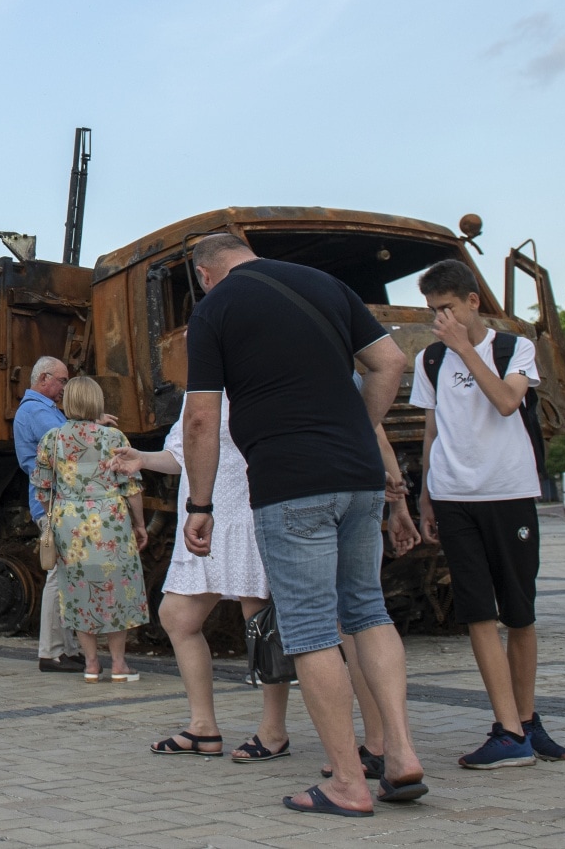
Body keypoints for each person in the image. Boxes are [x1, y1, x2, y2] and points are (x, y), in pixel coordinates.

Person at [181, 232, 425, 816]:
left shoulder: (213, 309)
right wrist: (358, 431)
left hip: (291, 481)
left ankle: (346, 782)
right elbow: (390, 362)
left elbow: (200, 418)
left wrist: (201, 504)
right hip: (360, 477)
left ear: (205, 274)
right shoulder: (326, 284)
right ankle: (399, 754)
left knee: (312, 628)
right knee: (368, 611)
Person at [413, 258, 565, 766]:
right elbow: (433, 429)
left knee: (519, 614)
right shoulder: (431, 360)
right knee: (478, 614)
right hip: (456, 497)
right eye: (434, 311)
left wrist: (465, 348)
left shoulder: (514, 348)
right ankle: (506, 729)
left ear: (472, 302)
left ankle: (527, 721)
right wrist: (426, 495)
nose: (441, 320)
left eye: (448, 308)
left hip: (508, 494)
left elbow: (506, 402)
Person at [116, 396, 292, 759]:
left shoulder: (254, 376)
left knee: (259, 621)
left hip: (245, 510)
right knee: (177, 616)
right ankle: (202, 727)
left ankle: (274, 731)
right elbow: (182, 454)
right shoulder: (199, 389)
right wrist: (142, 459)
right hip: (202, 518)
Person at [34, 377, 148, 682]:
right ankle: (120, 665)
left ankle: (92, 665)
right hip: (110, 521)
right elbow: (131, 486)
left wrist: (56, 521)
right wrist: (139, 524)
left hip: (69, 524)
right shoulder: (114, 439)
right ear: (96, 402)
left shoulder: (52, 439)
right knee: (117, 589)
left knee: (77, 590)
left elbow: (43, 489)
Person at [13, 355, 82, 673]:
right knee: (59, 575)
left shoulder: (43, 410)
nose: (65, 387)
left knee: (65, 576)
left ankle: (65, 648)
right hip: (53, 503)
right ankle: (51, 652)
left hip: (52, 501)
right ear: (43, 380)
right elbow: (70, 446)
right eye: (62, 380)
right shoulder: (36, 410)